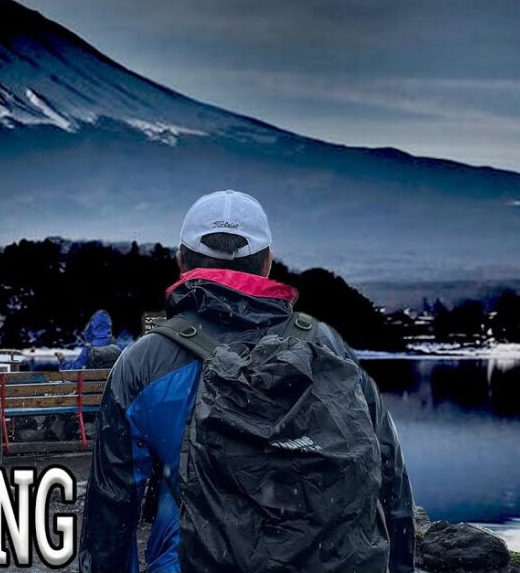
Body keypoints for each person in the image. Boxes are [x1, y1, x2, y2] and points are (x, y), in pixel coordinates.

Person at [80, 190, 414, 573]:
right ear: (268, 261)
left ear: (181, 261)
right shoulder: (327, 347)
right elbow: (389, 479)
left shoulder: (144, 362)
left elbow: (112, 511)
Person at [56, 309, 123, 370]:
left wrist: (62, 361)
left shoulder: (88, 349)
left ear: (93, 327)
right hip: (113, 379)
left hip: (93, 379)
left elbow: (72, 370)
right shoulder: (118, 346)